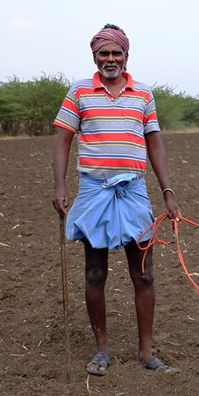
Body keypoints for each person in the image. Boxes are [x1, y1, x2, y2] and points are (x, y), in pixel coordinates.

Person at [52, 24, 181, 376]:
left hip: (135, 192)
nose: (110, 59)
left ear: (126, 56)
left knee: (144, 275)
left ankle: (146, 354)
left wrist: (167, 191)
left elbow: (154, 144)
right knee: (95, 273)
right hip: (94, 191)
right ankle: (101, 351)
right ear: (94, 56)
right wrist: (60, 187)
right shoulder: (79, 91)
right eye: (104, 53)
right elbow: (63, 140)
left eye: (116, 53)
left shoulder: (143, 94)